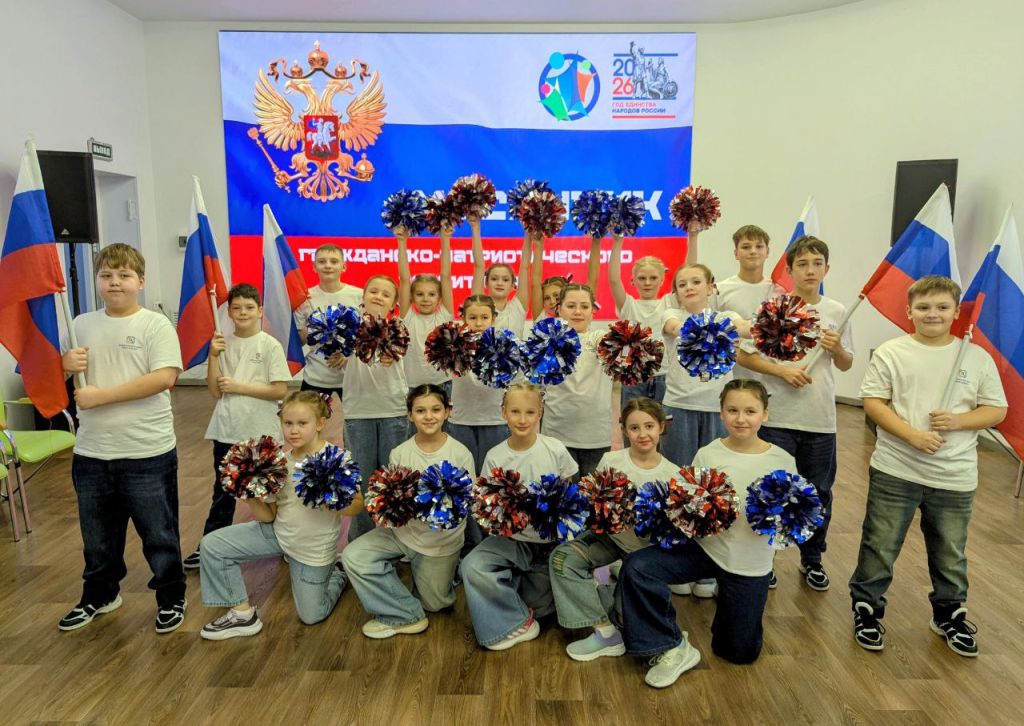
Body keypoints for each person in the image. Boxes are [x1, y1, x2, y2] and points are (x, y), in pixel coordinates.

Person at [849, 275, 1006, 657]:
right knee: (880, 544)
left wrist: (959, 421)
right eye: (923, 307)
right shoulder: (893, 352)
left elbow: (996, 409)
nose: (932, 314)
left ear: (955, 312)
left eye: (941, 307)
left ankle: (949, 613)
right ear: (909, 311)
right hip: (896, 470)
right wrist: (912, 436)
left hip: (954, 476)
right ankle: (867, 609)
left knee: (950, 551)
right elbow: (874, 402)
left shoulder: (975, 357)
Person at [616, 380, 797, 688]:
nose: (741, 418)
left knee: (737, 652)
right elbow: (689, 506)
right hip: (704, 550)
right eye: (733, 410)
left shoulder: (782, 460)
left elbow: (792, 519)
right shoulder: (708, 453)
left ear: (765, 414)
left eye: (750, 411)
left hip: (749, 565)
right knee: (638, 568)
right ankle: (670, 644)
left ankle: (729, 614)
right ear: (721, 413)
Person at [58, 243, 186, 633]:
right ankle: (100, 594)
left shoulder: (154, 325)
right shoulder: (79, 324)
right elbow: (54, 375)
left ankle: (171, 597)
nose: (115, 282)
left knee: (159, 535)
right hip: (92, 451)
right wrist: (63, 365)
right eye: (107, 275)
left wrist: (101, 397)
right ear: (97, 280)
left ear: (140, 282)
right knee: (97, 538)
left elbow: (164, 378)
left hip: (146, 451)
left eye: (124, 275)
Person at [737, 236, 853, 591]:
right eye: (802, 264)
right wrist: (782, 371)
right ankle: (764, 560)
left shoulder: (837, 311)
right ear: (789, 270)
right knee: (771, 491)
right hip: (778, 418)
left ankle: (812, 558)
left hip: (820, 420)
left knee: (818, 492)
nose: (810, 270)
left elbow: (847, 364)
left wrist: (837, 349)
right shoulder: (773, 309)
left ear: (826, 269)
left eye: (817, 264)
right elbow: (743, 355)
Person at [199, 391, 363, 639]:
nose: (294, 430)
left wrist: (332, 499)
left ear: (320, 423)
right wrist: (250, 494)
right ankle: (242, 614)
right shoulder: (279, 463)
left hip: (313, 550)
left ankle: (337, 574)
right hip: (278, 535)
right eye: (288, 423)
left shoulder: (336, 458)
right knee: (212, 545)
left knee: (311, 615)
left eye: (302, 423)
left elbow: (358, 505)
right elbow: (268, 517)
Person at [550, 397, 680, 661]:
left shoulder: (673, 474)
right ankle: (605, 633)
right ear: (623, 430)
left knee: (628, 619)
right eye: (634, 428)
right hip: (609, 539)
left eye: (649, 426)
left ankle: (614, 593)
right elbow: (594, 506)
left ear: (661, 427)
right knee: (562, 559)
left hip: (644, 554)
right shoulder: (610, 459)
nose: (642, 434)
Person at [342, 384, 476, 638]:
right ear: (410, 415)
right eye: (421, 410)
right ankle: (404, 614)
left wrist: (436, 512)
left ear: (447, 412)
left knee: (436, 604)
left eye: (436, 409)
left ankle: (445, 571)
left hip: (439, 543)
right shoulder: (400, 453)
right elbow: (391, 499)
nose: (429, 416)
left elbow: (466, 503)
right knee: (354, 556)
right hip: (402, 535)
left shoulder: (460, 453)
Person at [460, 383, 579, 650]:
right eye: (515, 411)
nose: (522, 419)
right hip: (513, 542)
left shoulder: (556, 449)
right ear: (503, 412)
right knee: (471, 565)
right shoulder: (495, 456)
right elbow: (489, 509)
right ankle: (514, 622)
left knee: (542, 608)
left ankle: (522, 589)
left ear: (540, 413)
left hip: (549, 545)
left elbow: (570, 499)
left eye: (530, 412)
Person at [183, 284, 291, 570]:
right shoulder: (222, 343)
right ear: (229, 312)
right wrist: (213, 356)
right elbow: (215, 391)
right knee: (223, 492)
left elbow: (279, 390)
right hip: (226, 430)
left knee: (271, 491)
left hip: (262, 432)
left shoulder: (269, 345)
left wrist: (239, 386)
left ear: (260, 311)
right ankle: (210, 545)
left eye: (249, 307)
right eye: (237, 308)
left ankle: (286, 542)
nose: (243, 312)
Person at [343, 276, 410, 542]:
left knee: (392, 479)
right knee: (361, 479)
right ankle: (360, 541)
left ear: (394, 304)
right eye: (373, 291)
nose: (378, 296)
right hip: (358, 413)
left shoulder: (399, 328)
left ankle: (395, 539)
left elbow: (393, 355)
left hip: (393, 411)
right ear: (363, 297)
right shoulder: (347, 327)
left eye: (385, 294)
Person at [539, 284, 613, 477]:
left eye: (585, 306)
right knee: (560, 495)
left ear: (593, 311)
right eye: (571, 306)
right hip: (556, 437)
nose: (578, 312)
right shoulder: (547, 341)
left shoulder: (599, 337)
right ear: (559, 309)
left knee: (595, 496)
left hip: (596, 438)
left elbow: (610, 343)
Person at [295, 244, 363, 441]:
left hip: (351, 376)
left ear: (344, 266)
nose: (328, 265)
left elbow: (367, 335)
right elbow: (299, 337)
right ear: (314, 266)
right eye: (322, 261)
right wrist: (321, 331)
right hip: (316, 376)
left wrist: (349, 354)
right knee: (307, 427)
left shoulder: (359, 295)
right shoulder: (305, 298)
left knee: (356, 430)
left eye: (334, 261)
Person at [608, 234, 676, 404]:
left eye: (653, 278)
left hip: (664, 377)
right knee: (632, 419)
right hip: (634, 377)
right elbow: (614, 280)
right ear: (633, 280)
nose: (647, 283)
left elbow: (688, 271)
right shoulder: (628, 305)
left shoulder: (669, 302)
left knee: (663, 421)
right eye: (642, 278)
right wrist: (617, 242)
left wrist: (693, 236)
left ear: (662, 280)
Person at [714, 225, 779, 380]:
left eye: (759, 246)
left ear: (767, 252)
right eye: (746, 247)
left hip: (771, 379)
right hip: (731, 378)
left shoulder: (779, 290)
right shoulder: (720, 289)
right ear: (736, 254)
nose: (753, 251)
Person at [396, 225, 454, 394]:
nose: (426, 299)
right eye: (420, 294)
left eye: (432, 294)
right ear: (412, 297)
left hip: (443, 383)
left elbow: (445, 276)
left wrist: (445, 239)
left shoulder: (444, 315)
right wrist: (401, 242)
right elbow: (405, 279)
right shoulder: (408, 317)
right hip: (413, 385)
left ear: (440, 297)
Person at [471, 217, 532, 336]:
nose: (499, 283)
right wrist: (475, 228)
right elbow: (479, 266)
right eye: (494, 279)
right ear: (486, 283)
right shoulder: (479, 304)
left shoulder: (518, 307)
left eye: (505, 280)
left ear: (513, 285)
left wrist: (529, 231)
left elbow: (525, 266)